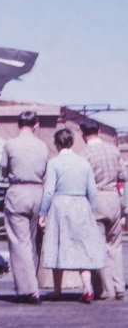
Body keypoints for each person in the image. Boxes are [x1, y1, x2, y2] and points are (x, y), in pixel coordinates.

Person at [39, 128, 108, 303]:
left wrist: (43, 212)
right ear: (72, 143)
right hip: (81, 204)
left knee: (58, 244)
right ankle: (87, 289)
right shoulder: (83, 162)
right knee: (82, 247)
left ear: (56, 144)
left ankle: (57, 291)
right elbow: (92, 191)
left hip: (60, 204)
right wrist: (91, 210)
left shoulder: (54, 163)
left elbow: (48, 191)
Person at [0, 111, 49, 304]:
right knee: (33, 240)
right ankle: (33, 282)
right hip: (37, 191)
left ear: (18, 124)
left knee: (19, 242)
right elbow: (45, 170)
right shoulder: (42, 146)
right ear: (35, 125)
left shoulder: (10, 144)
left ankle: (29, 289)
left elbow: (3, 170)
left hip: (18, 192)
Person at [79, 118, 126, 301]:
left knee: (98, 245)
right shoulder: (114, 151)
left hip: (95, 198)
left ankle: (107, 290)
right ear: (99, 131)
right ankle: (119, 286)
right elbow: (124, 175)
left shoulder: (84, 155)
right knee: (115, 245)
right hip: (113, 198)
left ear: (83, 135)